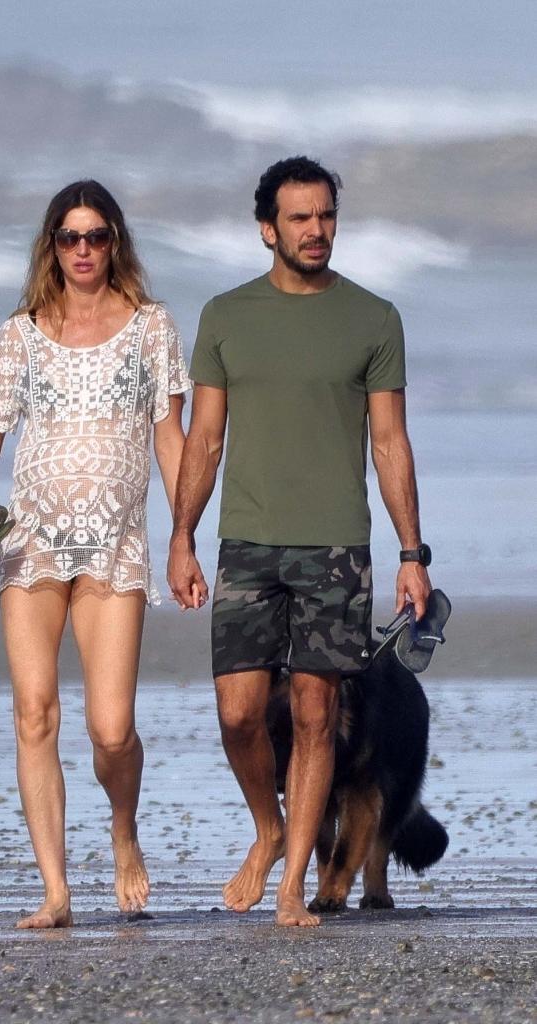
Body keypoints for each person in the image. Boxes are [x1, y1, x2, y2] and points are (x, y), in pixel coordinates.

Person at [167, 156, 432, 928]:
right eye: (299, 218)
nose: (315, 231)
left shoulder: (373, 318)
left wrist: (412, 553)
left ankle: (292, 893)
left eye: (325, 216)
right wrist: (180, 538)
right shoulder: (225, 316)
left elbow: (389, 443)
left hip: (335, 549)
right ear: (266, 229)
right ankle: (270, 830)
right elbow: (205, 438)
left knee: (317, 713)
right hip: (245, 542)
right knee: (239, 714)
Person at [0, 180, 190, 928]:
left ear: (114, 241)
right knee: (34, 714)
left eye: (96, 236)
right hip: (30, 542)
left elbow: (169, 437)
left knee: (111, 728)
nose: (83, 250)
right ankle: (55, 893)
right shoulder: (20, 332)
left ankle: (123, 831)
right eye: (69, 237)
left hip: (115, 544)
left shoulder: (152, 327)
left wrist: (184, 534)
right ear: (51, 245)